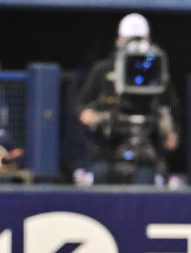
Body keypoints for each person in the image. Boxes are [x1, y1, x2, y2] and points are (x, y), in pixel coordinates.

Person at [77, 13, 180, 185]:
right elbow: (81, 105)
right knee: (101, 175)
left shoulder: (157, 71)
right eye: (130, 40)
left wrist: (171, 132)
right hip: (107, 148)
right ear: (118, 41)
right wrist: (86, 114)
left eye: (140, 40)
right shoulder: (103, 70)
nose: (135, 46)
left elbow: (170, 106)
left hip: (145, 149)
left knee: (146, 182)